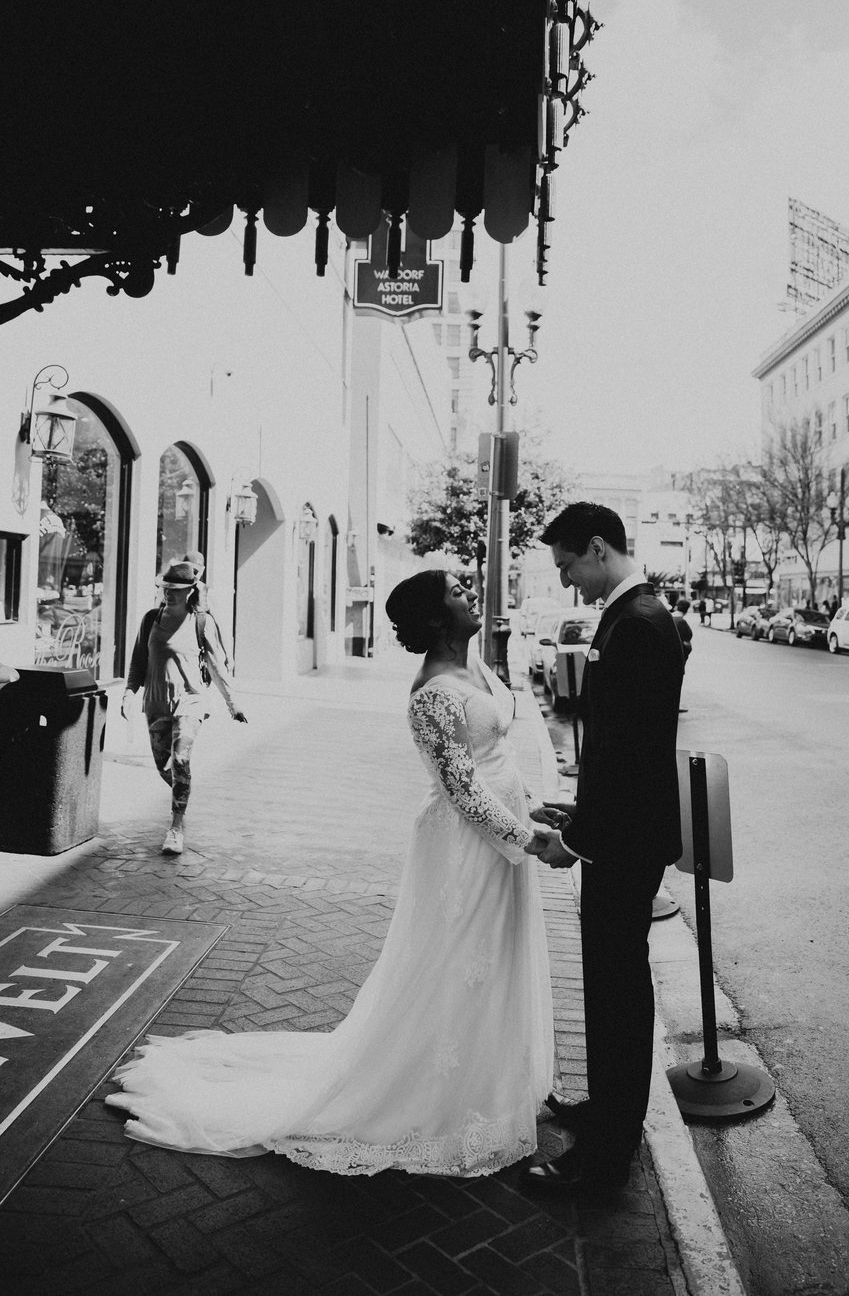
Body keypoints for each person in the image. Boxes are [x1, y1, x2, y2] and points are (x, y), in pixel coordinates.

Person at [107, 570, 555, 1178]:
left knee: (493, 959)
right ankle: (437, 1094)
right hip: (464, 849)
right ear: (433, 616)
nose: (470, 595)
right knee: (456, 962)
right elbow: (463, 790)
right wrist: (530, 839)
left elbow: (493, 756)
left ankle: (488, 1080)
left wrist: (534, 805)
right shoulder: (432, 694)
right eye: (457, 591)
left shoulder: (478, 667)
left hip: (501, 834)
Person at [526, 502, 685, 1193]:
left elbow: (629, 754)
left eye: (568, 566)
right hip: (620, 829)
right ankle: (605, 1109)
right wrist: (581, 806)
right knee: (606, 983)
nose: (569, 584)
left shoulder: (640, 624)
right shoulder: (631, 617)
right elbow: (620, 746)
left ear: (596, 548)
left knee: (617, 989)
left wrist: (576, 838)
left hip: (624, 842)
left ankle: (605, 1157)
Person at [121, 560, 246, 855]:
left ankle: (176, 827)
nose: (169, 593)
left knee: (180, 759)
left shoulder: (201, 622)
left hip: (190, 700)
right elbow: (139, 660)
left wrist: (232, 702)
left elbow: (216, 666)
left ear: (190, 591)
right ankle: (182, 791)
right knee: (166, 767)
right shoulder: (151, 618)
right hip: (155, 701)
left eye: (176, 589)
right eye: (166, 588)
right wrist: (128, 692)